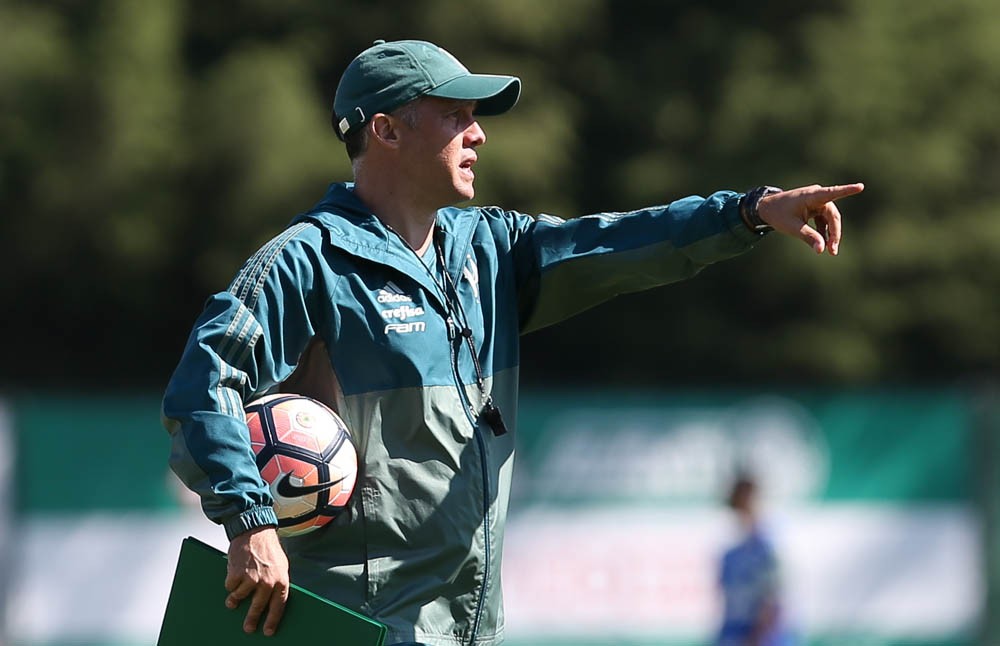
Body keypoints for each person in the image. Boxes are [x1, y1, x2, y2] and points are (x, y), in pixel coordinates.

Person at [161, 38, 863, 646]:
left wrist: (745, 213)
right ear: (387, 130)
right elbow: (203, 388)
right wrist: (250, 522)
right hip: (354, 629)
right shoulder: (305, 263)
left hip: (471, 630)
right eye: (456, 116)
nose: (479, 135)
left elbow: (618, 243)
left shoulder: (491, 249)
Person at [716, 475, 797, 646]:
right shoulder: (731, 555)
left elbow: (774, 604)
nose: (742, 513)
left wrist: (754, 639)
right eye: (737, 507)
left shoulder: (768, 548)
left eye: (746, 505)